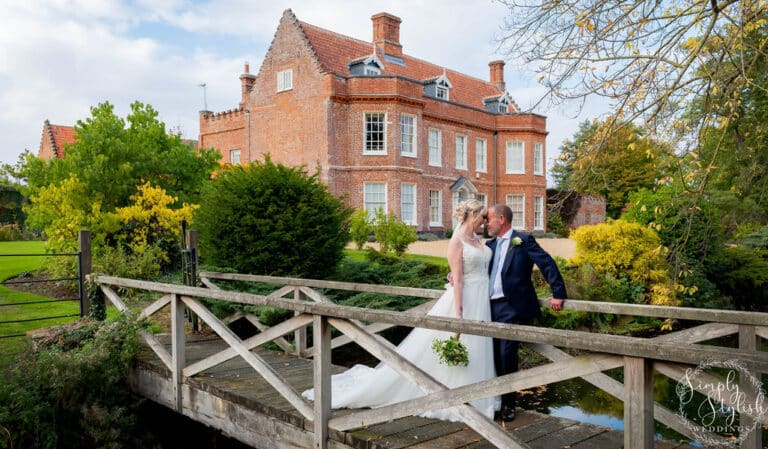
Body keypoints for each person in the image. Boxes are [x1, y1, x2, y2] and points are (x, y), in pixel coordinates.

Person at [302, 199, 500, 421]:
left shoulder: (478, 240)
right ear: (472, 215)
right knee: (458, 345)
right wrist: (459, 313)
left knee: (478, 347)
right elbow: (459, 280)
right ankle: (453, 396)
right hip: (464, 300)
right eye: (482, 217)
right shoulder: (456, 242)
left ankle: (475, 395)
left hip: (482, 299)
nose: (484, 222)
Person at [485, 203, 567, 422]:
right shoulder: (489, 245)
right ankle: (493, 402)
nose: (486, 222)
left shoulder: (523, 240)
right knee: (491, 356)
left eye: (489, 218)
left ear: (501, 219)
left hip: (512, 307)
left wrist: (558, 292)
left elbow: (546, 263)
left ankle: (509, 405)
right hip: (487, 308)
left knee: (506, 356)